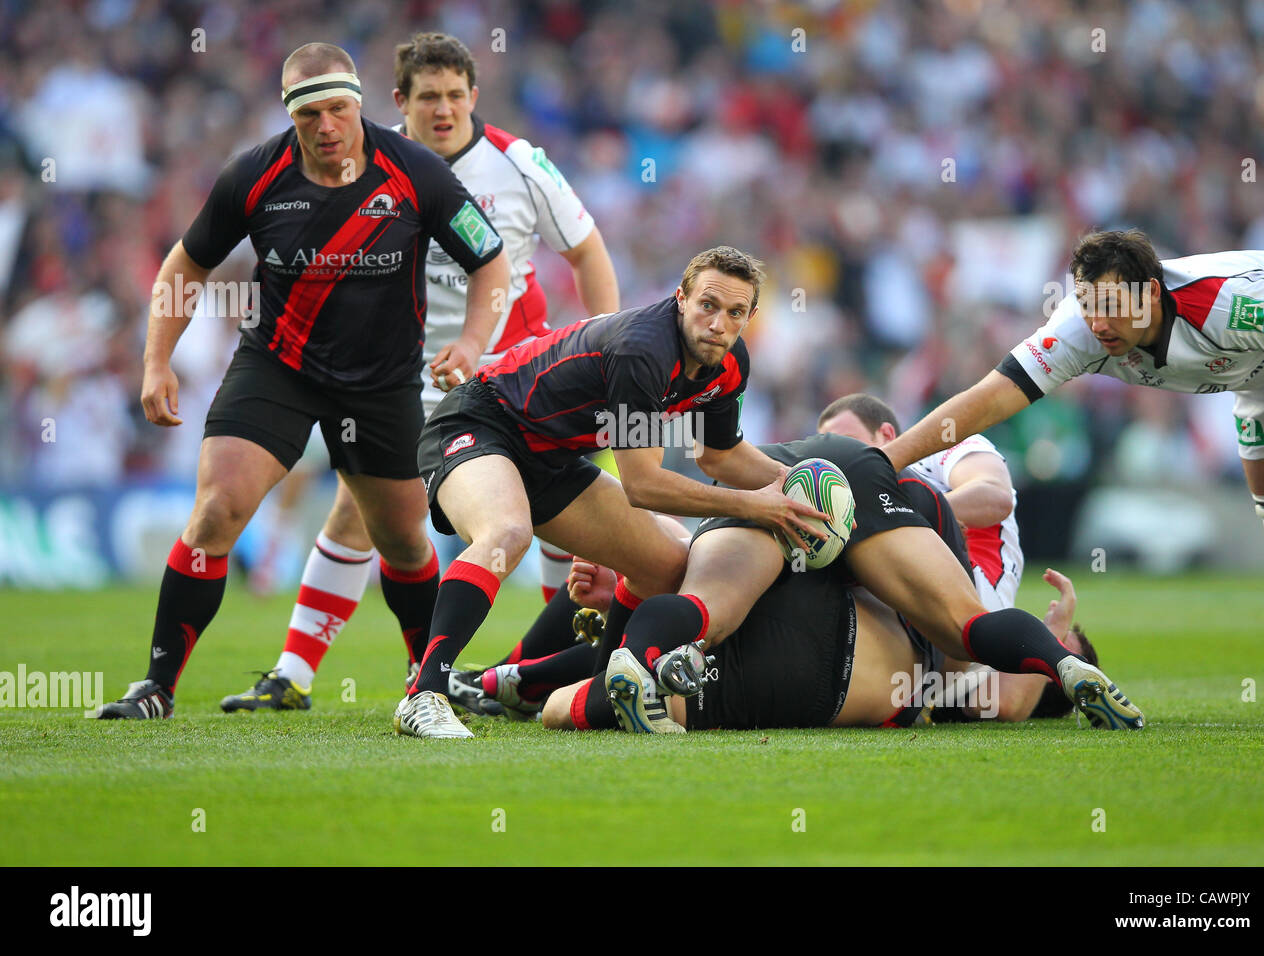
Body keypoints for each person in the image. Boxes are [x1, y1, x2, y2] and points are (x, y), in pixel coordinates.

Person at [96, 42, 509, 719]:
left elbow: (489, 264)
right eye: (309, 113)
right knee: (215, 511)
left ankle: (427, 683)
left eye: (338, 110)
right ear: (290, 116)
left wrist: (470, 340)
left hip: (382, 383)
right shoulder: (253, 176)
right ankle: (157, 688)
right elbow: (183, 266)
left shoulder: (417, 173)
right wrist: (155, 362)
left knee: (406, 542)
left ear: (360, 105)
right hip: (278, 368)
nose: (325, 126)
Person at [220, 32, 619, 713]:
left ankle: (551, 670)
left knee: (565, 519)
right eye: (428, 96)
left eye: (455, 96)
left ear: (474, 97)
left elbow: (587, 252)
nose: (443, 109)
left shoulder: (518, 163)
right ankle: (294, 673)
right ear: (399, 101)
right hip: (405, 378)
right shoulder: (359, 163)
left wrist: (603, 353)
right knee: (360, 514)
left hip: (510, 376)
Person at [395, 245, 832, 738]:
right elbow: (643, 485)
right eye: (707, 305)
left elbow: (721, 456)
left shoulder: (729, 363)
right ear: (680, 299)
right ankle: (425, 695)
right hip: (480, 422)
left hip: (551, 459)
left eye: (734, 312)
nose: (717, 323)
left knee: (665, 564)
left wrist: (793, 485)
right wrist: (757, 505)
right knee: (506, 532)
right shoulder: (643, 348)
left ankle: (591, 687)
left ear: (751, 317)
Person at [596, 431, 1143, 733]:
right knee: (969, 627)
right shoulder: (987, 583)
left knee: (707, 608)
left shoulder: (939, 480)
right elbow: (993, 693)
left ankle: (633, 656)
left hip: (791, 467)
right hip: (870, 496)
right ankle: (1066, 667)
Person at [883, 229, 1264, 599]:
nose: (1098, 324)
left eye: (1112, 306)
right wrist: (886, 461)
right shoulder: (1077, 332)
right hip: (1261, 389)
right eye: (1087, 305)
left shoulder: (1229, 305)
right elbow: (989, 398)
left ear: (1152, 292)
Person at [817, 393, 1023, 609]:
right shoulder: (848, 494)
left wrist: (903, 515)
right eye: (829, 452)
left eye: (847, 442)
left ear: (886, 434)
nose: (839, 457)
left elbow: (995, 497)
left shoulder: (943, 447)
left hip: (975, 594)